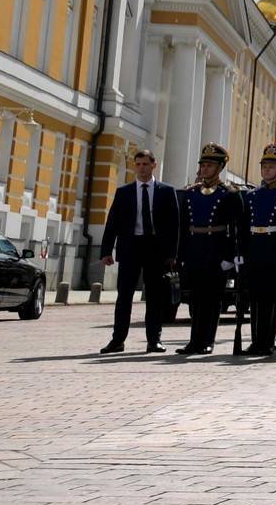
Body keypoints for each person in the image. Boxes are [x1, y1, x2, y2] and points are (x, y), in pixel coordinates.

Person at [99, 148, 181, 354]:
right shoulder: (124, 192)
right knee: (124, 296)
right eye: (138, 164)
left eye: (145, 164)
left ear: (154, 165)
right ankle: (117, 340)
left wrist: (172, 254)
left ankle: (154, 340)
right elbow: (112, 223)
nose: (141, 168)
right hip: (130, 247)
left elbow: (174, 226)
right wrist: (106, 251)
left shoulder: (166, 191)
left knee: (154, 297)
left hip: (156, 249)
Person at [177, 144, 242, 355]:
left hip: (216, 250)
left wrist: (230, 256)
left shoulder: (229, 194)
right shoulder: (191, 193)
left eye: (210, 165)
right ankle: (194, 340)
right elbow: (183, 227)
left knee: (212, 299)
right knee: (195, 299)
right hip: (195, 249)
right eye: (203, 165)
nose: (205, 169)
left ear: (220, 167)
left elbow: (237, 228)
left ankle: (207, 340)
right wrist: (182, 255)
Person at [239, 147, 276, 355]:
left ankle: (267, 341)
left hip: (274, 251)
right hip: (255, 249)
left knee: (272, 298)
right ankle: (256, 340)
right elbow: (244, 227)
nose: (267, 170)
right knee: (255, 298)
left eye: (271, 166)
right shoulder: (252, 195)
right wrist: (241, 251)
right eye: (264, 166)